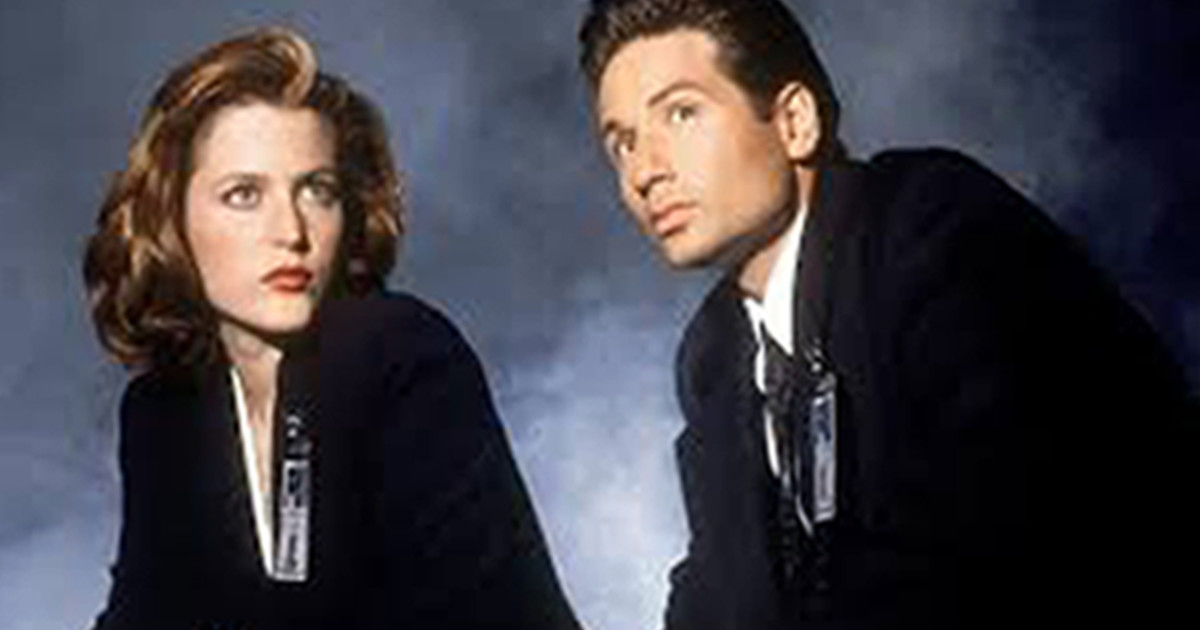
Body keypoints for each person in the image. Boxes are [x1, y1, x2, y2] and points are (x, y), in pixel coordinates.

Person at [577, 0, 1195, 627]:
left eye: (681, 113)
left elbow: (1013, 529)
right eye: (622, 143)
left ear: (794, 121)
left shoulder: (932, 226)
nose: (644, 171)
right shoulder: (714, 359)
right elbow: (717, 599)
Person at [84, 27, 579, 629]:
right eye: (244, 194)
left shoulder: (400, 352)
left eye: (317, 191)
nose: (291, 231)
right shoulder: (164, 413)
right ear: (171, 218)